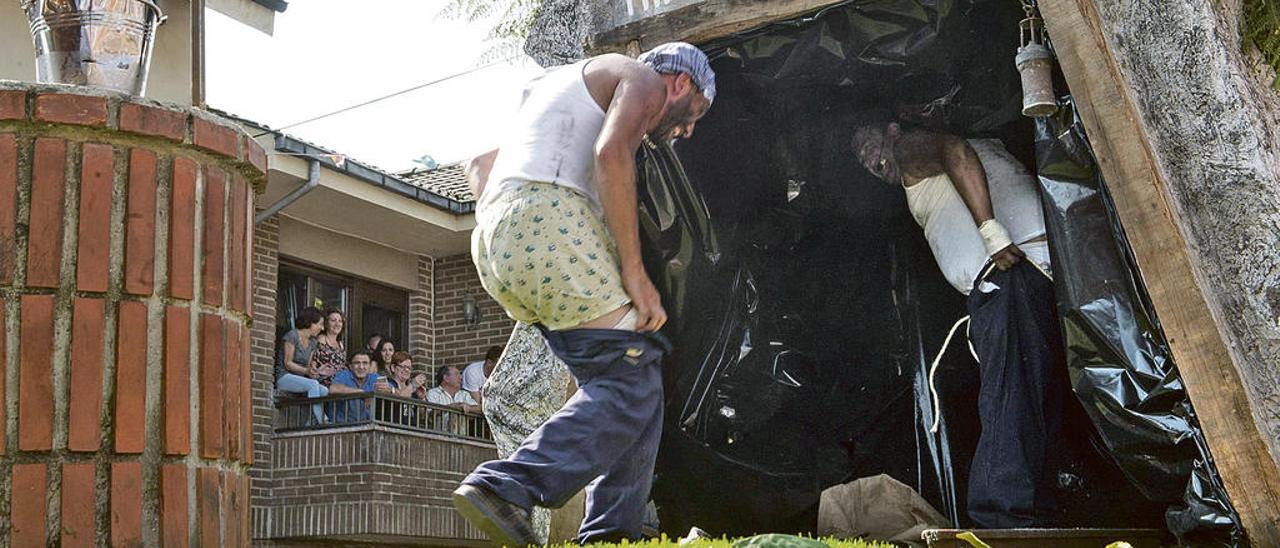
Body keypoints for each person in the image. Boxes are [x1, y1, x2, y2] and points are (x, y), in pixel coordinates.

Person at [453, 41, 715, 546]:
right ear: (680, 83)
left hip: (496, 240)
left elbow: (480, 165)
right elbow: (611, 154)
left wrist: (514, 228)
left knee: (633, 381)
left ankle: (610, 534)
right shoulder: (639, 76)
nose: (686, 129)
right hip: (547, 221)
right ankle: (506, 485)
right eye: (695, 113)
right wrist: (635, 273)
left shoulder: (549, 87)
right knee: (631, 373)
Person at [850, 121, 1063, 527]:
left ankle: (1000, 519)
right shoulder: (934, 171)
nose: (867, 159)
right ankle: (1033, 515)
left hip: (1010, 272)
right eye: (860, 159)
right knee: (1035, 396)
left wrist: (990, 230)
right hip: (1034, 274)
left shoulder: (908, 150)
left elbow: (955, 150)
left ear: (893, 130)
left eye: (867, 142)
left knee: (1008, 394)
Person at [275, 307, 329, 422]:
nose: (322, 328)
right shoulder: (292, 336)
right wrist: (306, 372)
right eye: (320, 324)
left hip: (301, 379)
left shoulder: (313, 343)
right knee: (313, 385)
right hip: (284, 377)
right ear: (310, 322)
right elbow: (288, 363)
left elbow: (308, 368)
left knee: (324, 390)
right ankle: (321, 420)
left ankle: (311, 422)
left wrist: (316, 372)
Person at [328, 350, 391, 423]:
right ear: (350, 366)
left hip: (367, 426)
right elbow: (333, 389)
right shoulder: (344, 375)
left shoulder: (374, 377)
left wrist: (389, 390)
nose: (361, 367)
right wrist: (362, 393)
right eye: (357, 363)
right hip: (341, 427)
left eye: (365, 363)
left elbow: (392, 389)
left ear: (370, 366)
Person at [312, 308, 348, 385]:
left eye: (340, 321)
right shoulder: (321, 339)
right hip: (325, 381)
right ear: (326, 323)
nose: (337, 324)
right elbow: (312, 363)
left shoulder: (340, 344)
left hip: (341, 380)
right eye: (333, 320)